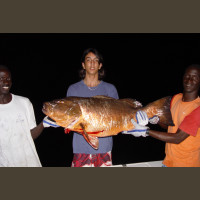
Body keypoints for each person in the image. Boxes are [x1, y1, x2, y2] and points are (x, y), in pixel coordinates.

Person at [128, 64, 200, 167]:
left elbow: (177, 138)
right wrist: (158, 120)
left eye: (195, 77)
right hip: (168, 162)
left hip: (187, 164)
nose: (189, 80)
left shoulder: (197, 109)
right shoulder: (176, 98)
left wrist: (145, 131)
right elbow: (170, 127)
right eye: (187, 75)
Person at [66, 48, 119, 167]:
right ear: (83, 65)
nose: (92, 63)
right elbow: (70, 119)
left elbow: (117, 118)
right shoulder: (73, 89)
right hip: (81, 149)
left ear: (100, 65)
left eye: (96, 60)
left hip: (104, 148)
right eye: (88, 60)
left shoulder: (110, 89)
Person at [0, 65, 57, 167]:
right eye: (1, 78)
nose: (6, 82)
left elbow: (29, 136)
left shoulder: (24, 103)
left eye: (8, 78)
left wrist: (43, 124)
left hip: (31, 164)